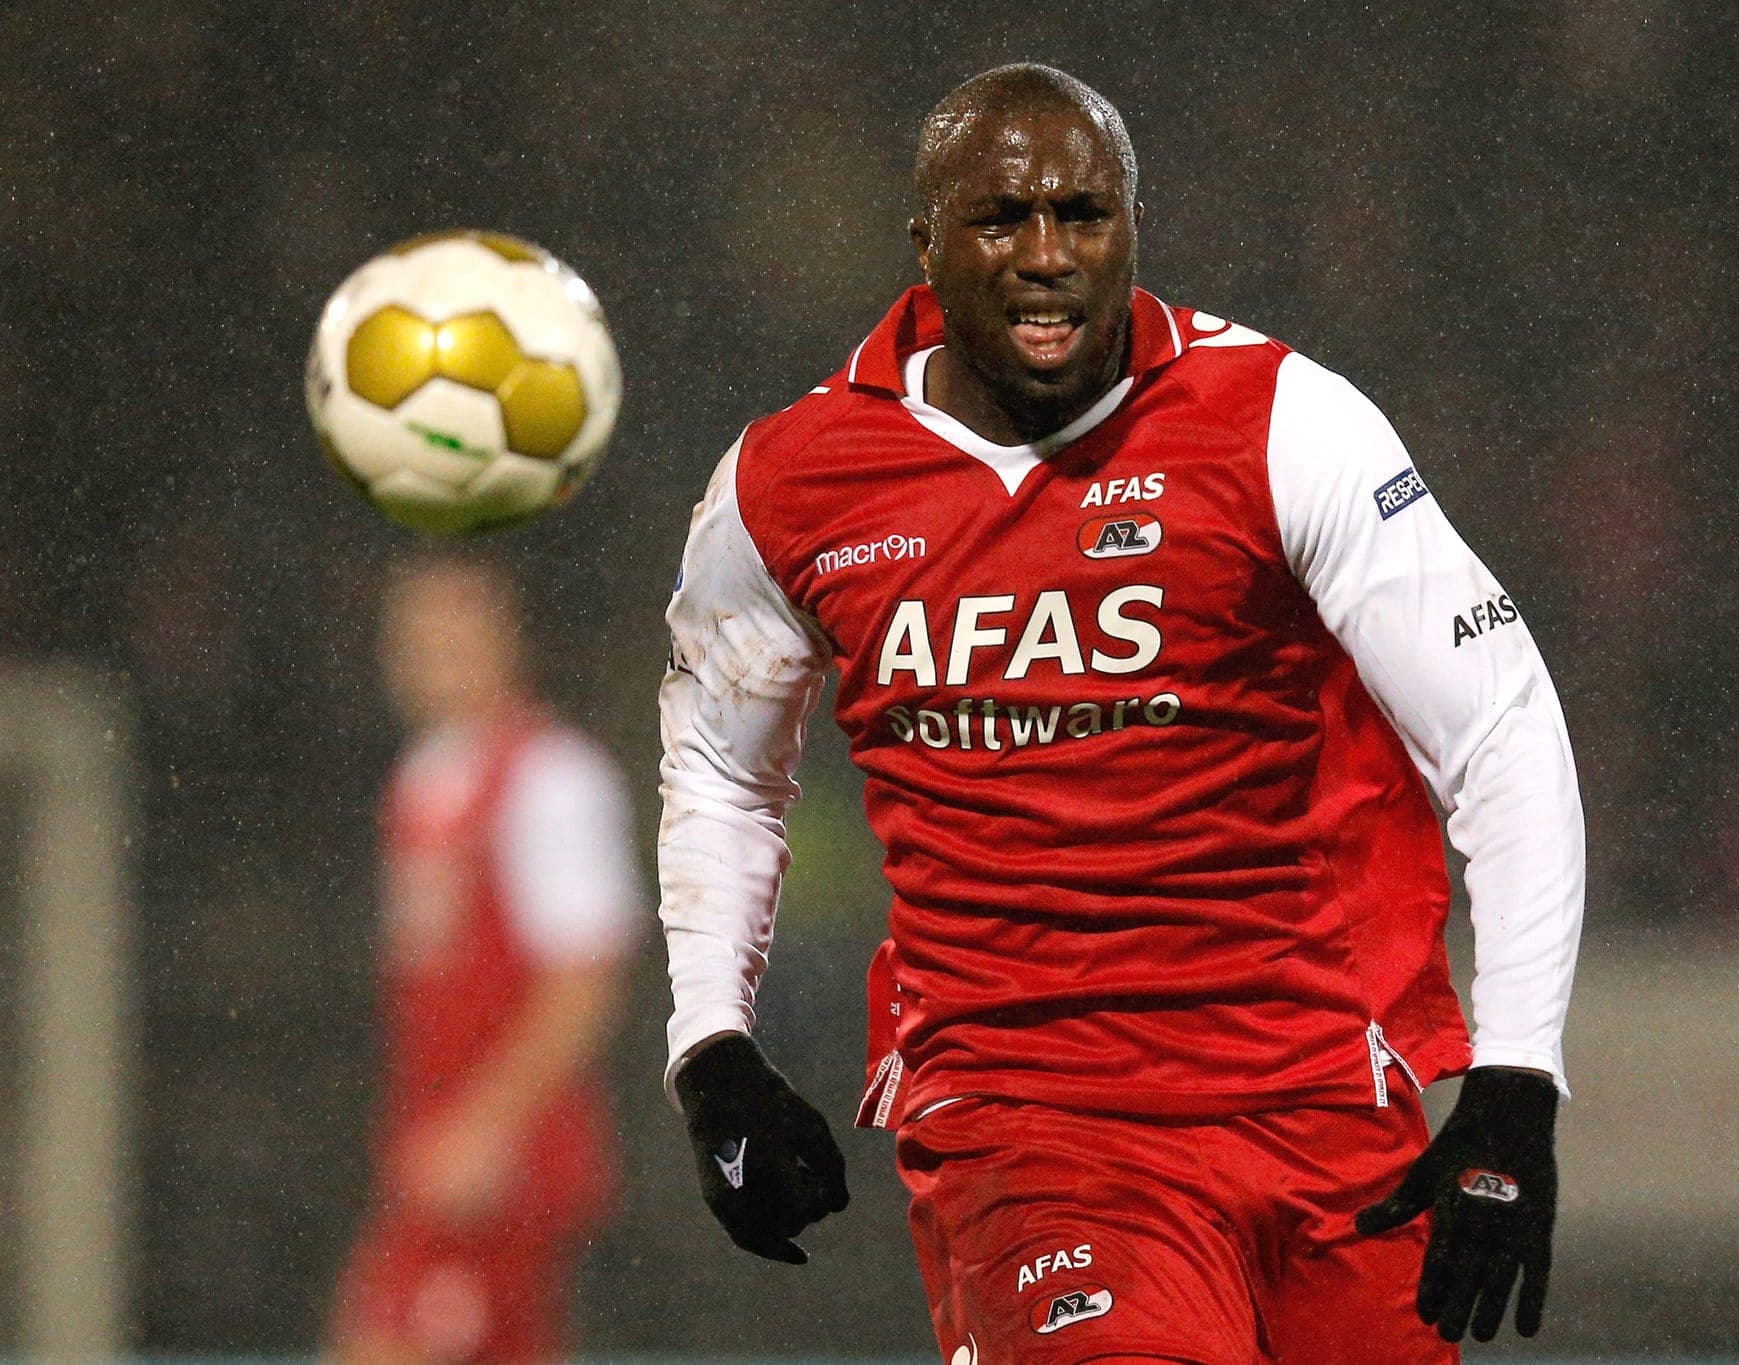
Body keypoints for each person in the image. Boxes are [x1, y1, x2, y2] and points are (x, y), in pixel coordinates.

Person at [657, 63, 1584, 1364]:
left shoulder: (1283, 426)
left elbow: (1502, 725)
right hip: (1031, 1125)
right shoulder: (788, 486)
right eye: (1003, 221)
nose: (1049, 257)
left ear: (1134, 225)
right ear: (925, 245)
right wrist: (712, 1046)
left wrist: (1516, 1079)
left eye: (1084, 217)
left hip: (1315, 1098)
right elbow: (720, 772)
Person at [332, 550, 640, 1363]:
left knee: (378, 1342)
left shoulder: (554, 779)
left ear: (509, 640)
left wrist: (487, 1128)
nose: (431, 656)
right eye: (415, 636)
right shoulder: (422, 779)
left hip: (503, 1164)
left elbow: (587, 981)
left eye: (455, 632)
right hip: (437, 1152)